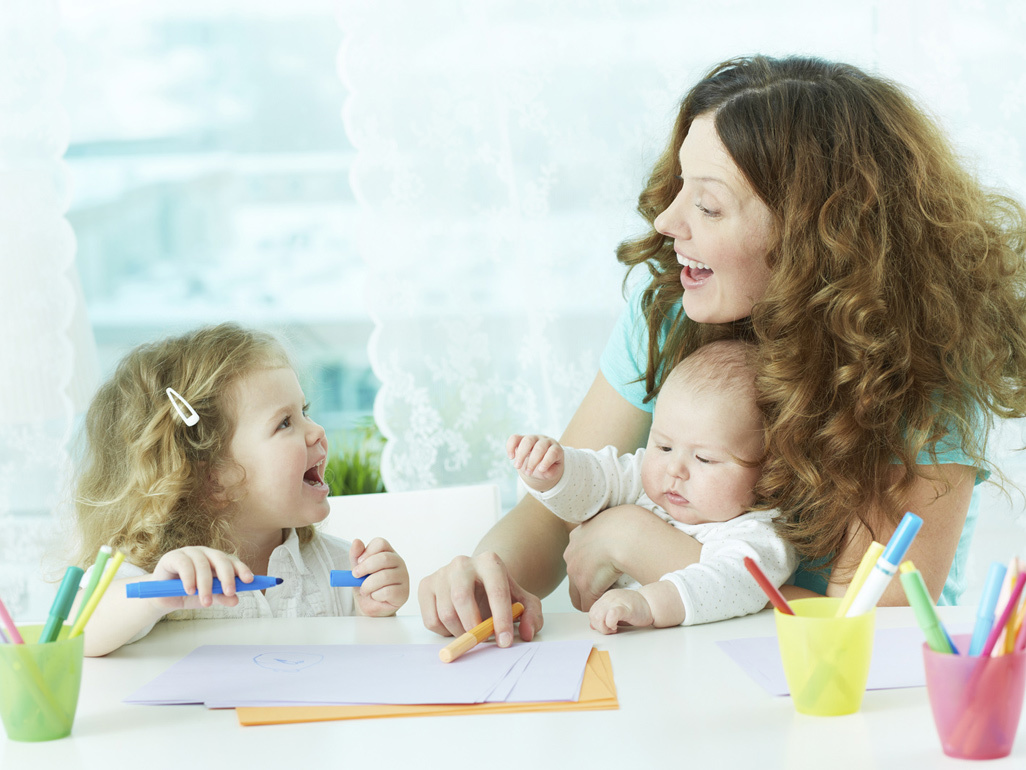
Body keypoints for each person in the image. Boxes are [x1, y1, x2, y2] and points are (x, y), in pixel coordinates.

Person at [419, 54, 1026, 647]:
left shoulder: (919, 382)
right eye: (681, 187)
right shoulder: (664, 318)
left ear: (813, 237)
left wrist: (639, 542)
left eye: (707, 205)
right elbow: (552, 513)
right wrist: (485, 573)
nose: (666, 221)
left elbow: (857, 623)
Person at [70, 323, 409, 656]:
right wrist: (158, 593)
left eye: (304, 412)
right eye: (285, 423)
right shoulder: (155, 568)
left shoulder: (340, 569)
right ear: (215, 477)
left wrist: (374, 613)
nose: (317, 431)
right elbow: (79, 631)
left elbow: (367, 664)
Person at [508, 340, 796, 633]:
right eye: (664, 446)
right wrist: (554, 473)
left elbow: (730, 583)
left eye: (704, 458)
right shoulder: (647, 480)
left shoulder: (761, 534)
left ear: (768, 471)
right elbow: (599, 479)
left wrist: (649, 603)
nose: (675, 469)